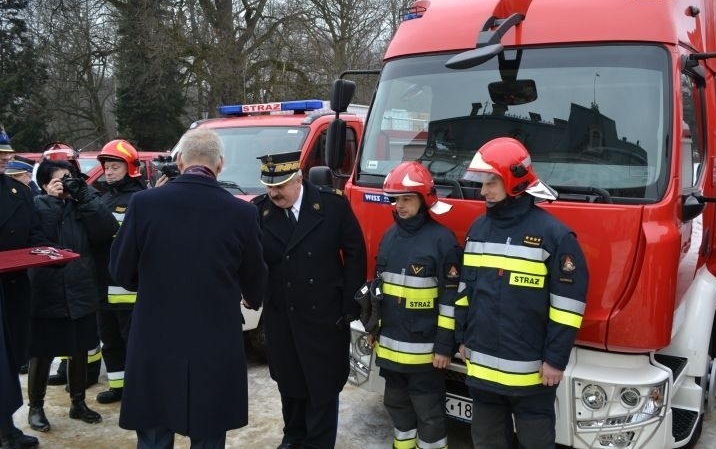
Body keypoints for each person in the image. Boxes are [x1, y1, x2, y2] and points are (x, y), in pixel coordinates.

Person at [109, 128, 268, 449]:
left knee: (154, 431)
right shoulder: (242, 213)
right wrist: (249, 296)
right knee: (209, 432)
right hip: (215, 340)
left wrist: (154, 284)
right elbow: (255, 280)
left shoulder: (143, 204)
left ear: (179, 161)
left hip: (155, 336)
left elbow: (121, 272)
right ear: (220, 165)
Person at [454, 137, 589, 449]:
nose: (483, 191)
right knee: (487, 442)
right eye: (482, 182)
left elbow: (568, 307)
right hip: (482, 370)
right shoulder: (478, 230)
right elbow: (465, 291)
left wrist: (555, 360)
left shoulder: (554, 236)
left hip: (532, 378)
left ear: (515, 183)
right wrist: (462, 339)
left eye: (491, 183)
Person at [253, 151, 366, 449]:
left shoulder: (332, 205)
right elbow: (250, 260)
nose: (274, 193)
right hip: (282, 316)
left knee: (323, 384)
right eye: (269, 186)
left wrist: (349, 306)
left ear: (298, 178)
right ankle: (293, 436)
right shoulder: (259, 212)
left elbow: (355, 253)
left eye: (281, 186)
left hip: (325, 316)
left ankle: (317, 442)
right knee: (289, 383)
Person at [367, 162, 461, 449]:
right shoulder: (390, 236)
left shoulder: (442, 241)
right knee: (396, 409)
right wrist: (373, 327)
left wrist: (445, 347)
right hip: (390, 349)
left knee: (430, 416)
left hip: (425, 355)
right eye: (397, 199)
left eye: (407, 198)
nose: (400, 206)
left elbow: (451, 301)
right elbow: (379, 290)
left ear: (424, 199)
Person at [26, 159, 118, 432]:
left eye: (70, 177)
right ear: (44, 184)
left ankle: (78, 403)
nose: (66, 182)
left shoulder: (83, 204)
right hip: (47, 290)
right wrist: (52, 201)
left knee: (80, 348)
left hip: (80, 286)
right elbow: (40, 239)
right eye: (59, 178)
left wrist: (84, 195)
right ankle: (36, 407)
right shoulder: (35, 206)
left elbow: (106, 229)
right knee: (41, 352)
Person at [92, 139, 148, 405]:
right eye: (107, 167)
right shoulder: (103, 197)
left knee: (134, 345)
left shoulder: (138, 199)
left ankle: (140, 390)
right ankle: (118, 387)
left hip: (128, 291)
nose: (109, 171)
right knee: (110, 342)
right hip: (103, 287)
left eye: (115, 166)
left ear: (130, 168)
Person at [0, 125, 44, 448]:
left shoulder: (20, 192)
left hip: (12, 289)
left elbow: (34, 236)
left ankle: (6, 427)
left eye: (5, 153)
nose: (5, 158)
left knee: (9, 361)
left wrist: (44, 253)